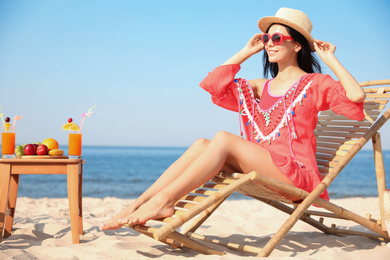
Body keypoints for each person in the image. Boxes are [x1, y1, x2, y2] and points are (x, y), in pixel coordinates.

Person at [100, 7, 365, 230]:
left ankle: (164, 202)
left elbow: (355, 96)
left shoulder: (316, 83)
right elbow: (212, 84)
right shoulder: (262, 87)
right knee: (201, 144)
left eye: (276, 38)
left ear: (297, 44)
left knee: (224, 139)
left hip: (296, 177)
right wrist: (245, 52)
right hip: (264, 166)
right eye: (266, 39)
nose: (269, 44)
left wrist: (330, 59)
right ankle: (138, 202)